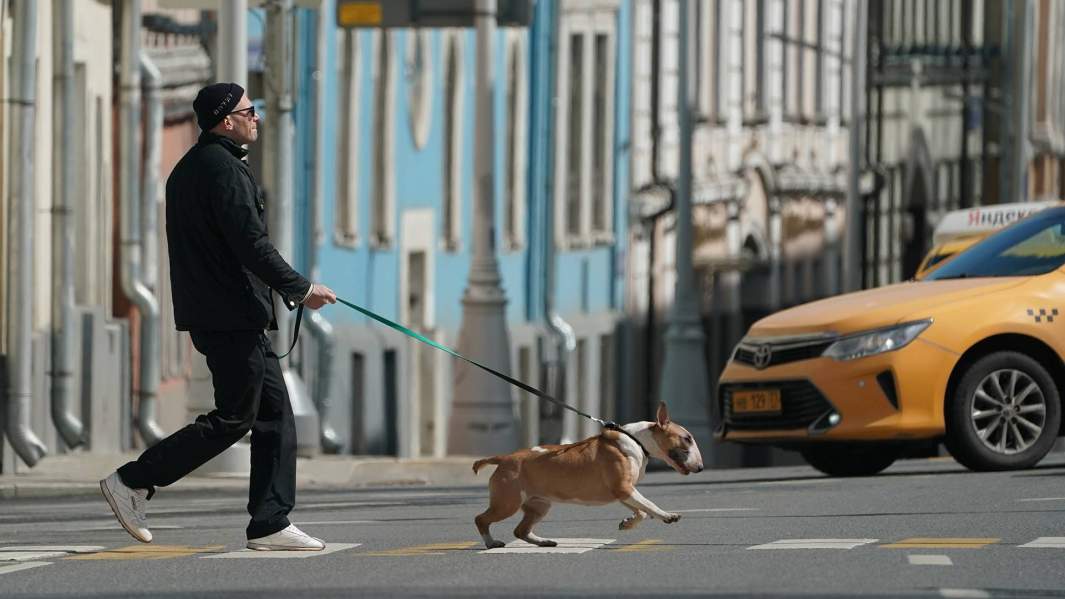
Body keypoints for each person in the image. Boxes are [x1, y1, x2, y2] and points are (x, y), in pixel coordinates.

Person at [100, 82, 337, 551]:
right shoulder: (221, 170)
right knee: (236, 416)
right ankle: (133, 480)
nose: (258, 118)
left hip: (223, 311)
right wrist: (301, 288)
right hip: (228, 315)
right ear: (227, 120)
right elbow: (250, 244)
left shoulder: (197, 167)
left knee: (273, 415)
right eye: (251, 110)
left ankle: (270, 523)